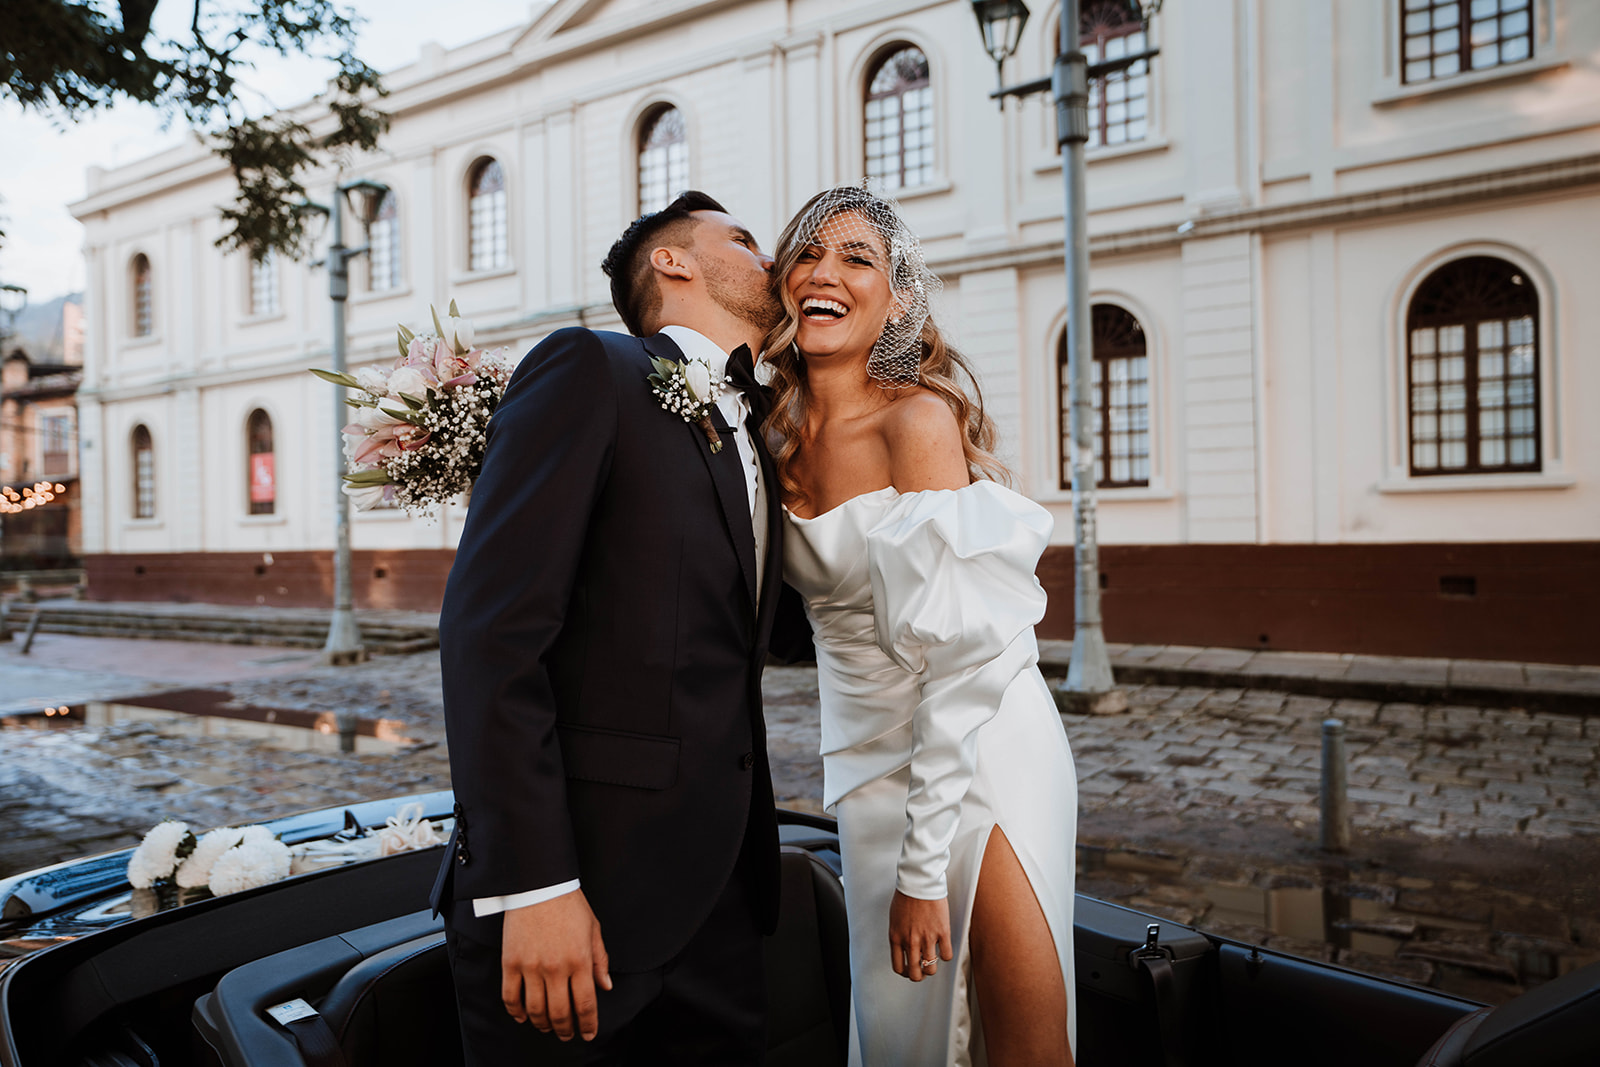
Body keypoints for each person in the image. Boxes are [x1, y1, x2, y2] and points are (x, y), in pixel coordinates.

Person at [431, 190, 793, 1065]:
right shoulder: (591, 368)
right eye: (744, 240)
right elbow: (492, 635)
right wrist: (535, 885)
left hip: (722, 905)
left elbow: (761, 635)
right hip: (578, 904)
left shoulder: (760, 430)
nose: (772, 257)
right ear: (673, 261)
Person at [765, 184, 1080, 1066]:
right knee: (902, 1037)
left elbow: (963, 658)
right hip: (868, 772)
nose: (825, 272)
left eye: (856, 258)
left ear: (898, 300)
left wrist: (922, 869)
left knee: (1023, 1045)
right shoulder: (771, 439)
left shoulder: (917, 421)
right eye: (807, 253)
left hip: (981, 745)